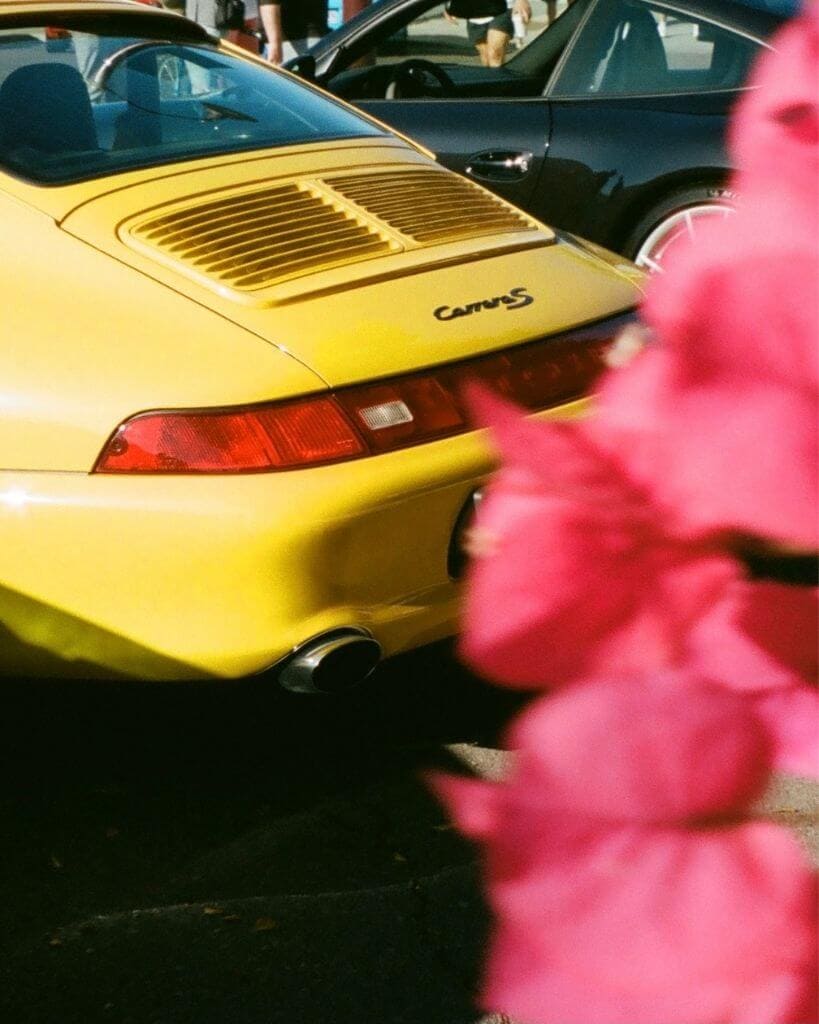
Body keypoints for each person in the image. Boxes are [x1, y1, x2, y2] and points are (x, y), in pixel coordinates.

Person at [445, 0, 531, 68]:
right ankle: (492, 83)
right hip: (474, 10)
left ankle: (499, 87)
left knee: (495, 52)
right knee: (485, 56)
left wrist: (521, 1)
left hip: (504, 6)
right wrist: (448, 5)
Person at [258, 0, 328, 64]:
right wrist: (275, 44)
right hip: (293, 42)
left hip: (294, 42)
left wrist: (275, 44)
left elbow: (269, 3)